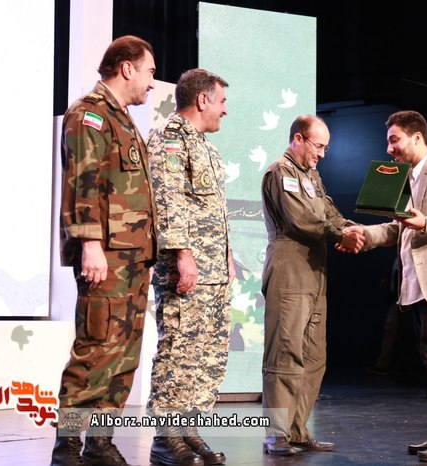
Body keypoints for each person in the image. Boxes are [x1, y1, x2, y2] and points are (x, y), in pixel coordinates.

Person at [342, 110, 427, 463]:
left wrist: (426, 223)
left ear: (417, 137)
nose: (389, 149)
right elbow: (398, 228)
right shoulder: (408, 177)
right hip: (417, 282)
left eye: (394, 140)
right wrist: (364, 234)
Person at [52, 35, 157, 466]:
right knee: (95, 350)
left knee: (122, 355)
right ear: (127, 68)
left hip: (132, 259)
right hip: (107, 257)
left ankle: (99, 442)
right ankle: (68, 447)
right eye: (149, 72)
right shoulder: (90, 114)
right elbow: (84, 181)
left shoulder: (122, 119)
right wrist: (90, 244)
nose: (152, 82)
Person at [260, 114, 365, 456]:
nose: (321, 154)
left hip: (314, 270)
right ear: (298, 139)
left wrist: (354, 230)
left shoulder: (312, 176)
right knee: (285, 352)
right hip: (290, 269)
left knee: (313, 355)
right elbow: (302, 220)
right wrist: (340, 235)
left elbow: (329, 214)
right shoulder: (282, 172)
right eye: (318, 146)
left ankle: (297, 430)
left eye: (325, 148)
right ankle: (276, 434)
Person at [146, 68, 233, 466]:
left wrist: (227, 257)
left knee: (206, 357)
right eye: (222, 101)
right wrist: (183, 254)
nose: (225, 110)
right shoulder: (170, 139)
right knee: (178, 352)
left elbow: (211, 211)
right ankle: (166, 439)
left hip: (213, 272)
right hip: (186, 270)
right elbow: (167, 201)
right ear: (202, 100)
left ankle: (188, 430)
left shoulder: (206, 148)